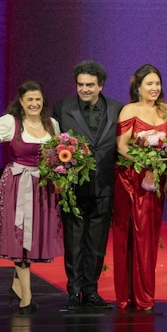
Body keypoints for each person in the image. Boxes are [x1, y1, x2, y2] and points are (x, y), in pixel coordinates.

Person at [0, 81, 63, 315]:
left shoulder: (51, 124)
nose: (34, 103)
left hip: (43, 187)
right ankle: (26, 299)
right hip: (18, 184)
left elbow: (60, 157)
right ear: (21, 102)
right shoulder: (9, 123)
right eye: (29, 99)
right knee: (21, 237)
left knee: (33, 240)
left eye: (38, 99)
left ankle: (16, 285)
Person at [53, 60, 123, 309]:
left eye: (90, 85)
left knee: (96, 242)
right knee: (73, 241)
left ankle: (90, 291)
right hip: (73, 188)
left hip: (104, 186)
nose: (84, 89)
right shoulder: (61, 108)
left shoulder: (117, 108)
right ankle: (73, 291)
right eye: (81, 84)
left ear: (100, 85)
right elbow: (52, 146)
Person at [112, 64, 167, 311]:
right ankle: (126, 295)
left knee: (148, 237)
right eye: (149, 83)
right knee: (128, 235)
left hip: (155, 183)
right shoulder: (130, 109)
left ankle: (144, 296)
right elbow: (122, 146)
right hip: (130, 180)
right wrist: (145, 160)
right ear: (138, 86)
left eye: (157, 83)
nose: (154, 88)